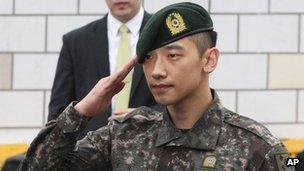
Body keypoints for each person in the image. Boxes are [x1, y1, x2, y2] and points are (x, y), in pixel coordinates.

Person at [20, 2, 293, 170]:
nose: (157, 71)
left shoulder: (256, 147)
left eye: (173, 56)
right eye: (148, 59)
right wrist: (81, 112)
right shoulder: (124, 137)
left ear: (209, 60)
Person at [48, 0, 160, 139]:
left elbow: (185, 101)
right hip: (88, 153)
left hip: (151, 149)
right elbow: (58, 110)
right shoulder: (75, 41)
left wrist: (148, 116)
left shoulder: (164, 35)